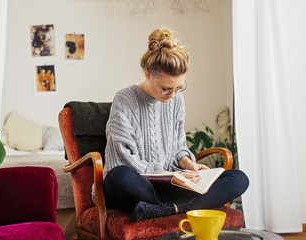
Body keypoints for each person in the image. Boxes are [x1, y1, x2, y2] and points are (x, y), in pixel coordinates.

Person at [101, 27, 249, 221]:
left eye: (179, 88)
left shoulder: (176, 100)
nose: (172, 96)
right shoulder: (125, 99)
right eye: (165, 89)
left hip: (171, 186)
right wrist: (168, 176)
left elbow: (178, 147)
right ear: (147, 74)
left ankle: (167, 209)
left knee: (239, 178)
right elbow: (123, 158)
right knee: (120, 176)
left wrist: (189, 164)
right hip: (140, 185)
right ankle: (179, 205)